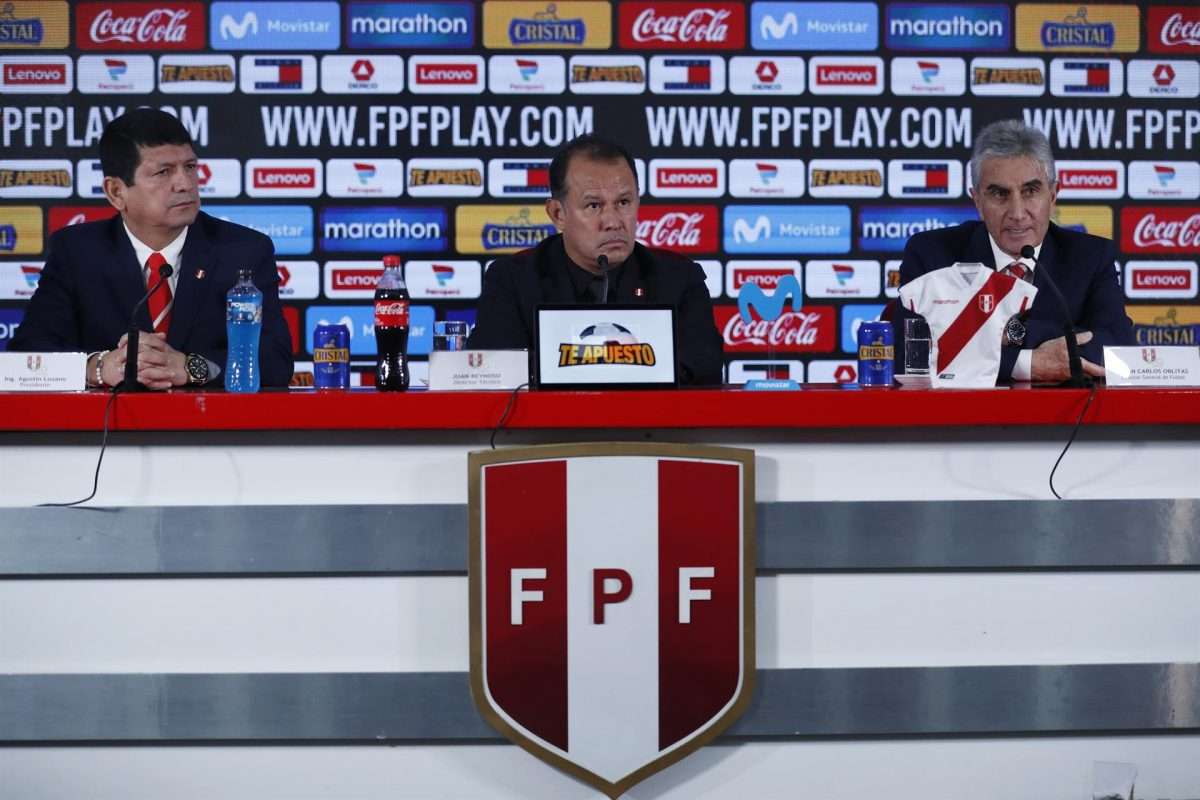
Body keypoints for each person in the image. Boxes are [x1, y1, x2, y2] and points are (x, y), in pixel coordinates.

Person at [9, 108, 293, 389]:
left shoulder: (243, 251)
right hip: (108, 431)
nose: (185, 184)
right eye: (163, 172)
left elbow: (276, 362)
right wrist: (99, 367)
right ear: (116, 192)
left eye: (190, 167)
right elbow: (26, 357)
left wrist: (190, 367)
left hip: (210, 430)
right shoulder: (77, 253)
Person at [466, 134, 723, 385]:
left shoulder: (678, 278)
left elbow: (705, 367)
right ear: (558, 214)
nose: (613, 222)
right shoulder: (513, 280)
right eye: (593, 206)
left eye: (623, 202)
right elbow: (493, 371)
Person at [897, 119, 1133, 383]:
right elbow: (910, 354)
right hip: (962, 420)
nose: (1018, 214)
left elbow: (1118, 349)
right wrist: (1027, 363)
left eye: (1030, 191)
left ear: (1053, 195)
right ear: (977, 200)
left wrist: (997, 337)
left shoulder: (1090, 257)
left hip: (1061, 422)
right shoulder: (933, 254)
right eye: (999, 194)